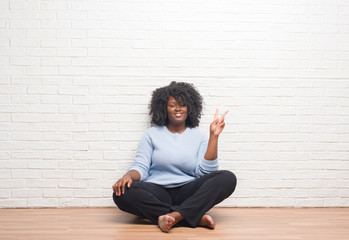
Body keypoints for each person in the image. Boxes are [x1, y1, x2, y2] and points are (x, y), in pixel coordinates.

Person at [112, 81, 237, 233]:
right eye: (172, 105)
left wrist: (213, 137)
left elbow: (205, 173)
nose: (178, 108)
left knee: (227, 178)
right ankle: (190, 217)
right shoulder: (151, 135)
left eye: (182, 105)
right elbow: (141, 166)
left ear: (189, 108)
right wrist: (128, 175)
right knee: (122, 192)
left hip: (188, 192)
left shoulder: (199, 137)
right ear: (164, 108)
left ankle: (174, 216)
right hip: (157, 192)